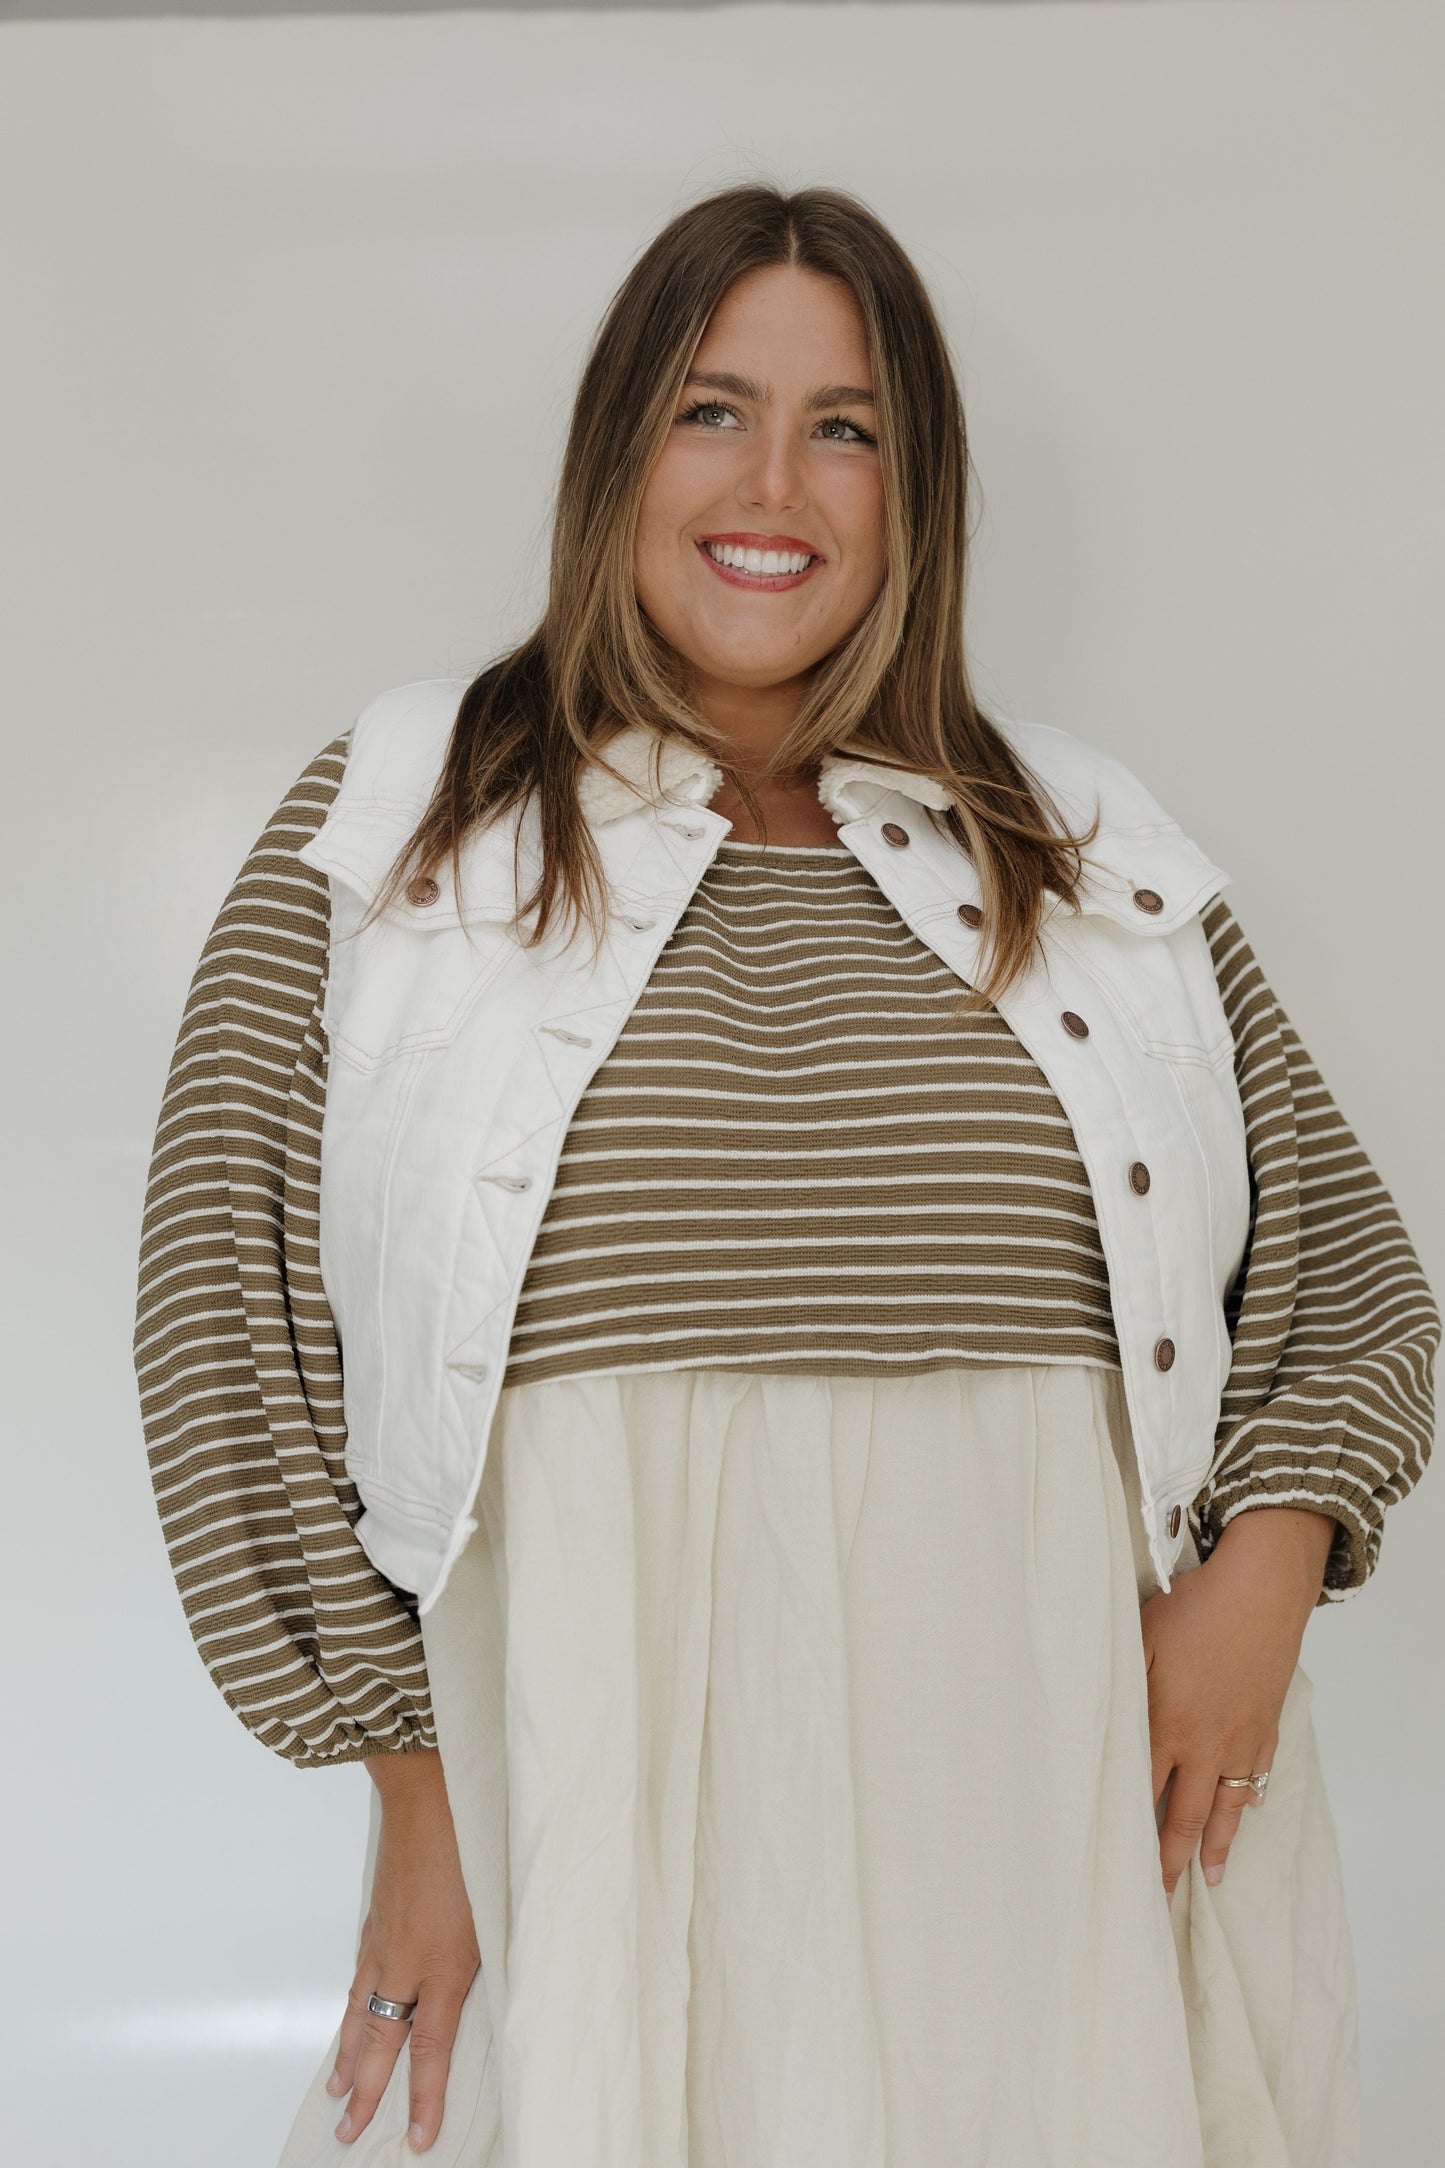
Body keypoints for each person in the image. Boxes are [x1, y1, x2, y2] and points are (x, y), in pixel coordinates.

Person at [133, 184, 1437, 2168]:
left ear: (918, 493)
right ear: (617, 450)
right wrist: (416, 1782)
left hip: (1062, 1768)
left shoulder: (1079, 838)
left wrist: (1260, 1588)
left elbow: (1341, 1266)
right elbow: (226, 1323)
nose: (774, 485)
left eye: (847, 428)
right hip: (599, 1754)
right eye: (709, 409)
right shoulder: (404, 810)